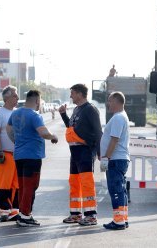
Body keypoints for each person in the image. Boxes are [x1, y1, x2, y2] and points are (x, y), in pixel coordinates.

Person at [6, 90, 58, 227]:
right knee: (31, 186)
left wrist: (16, 142)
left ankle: (22, 213)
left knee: (23, 186)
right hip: (32, 156)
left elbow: (8, 129)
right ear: (37, 101)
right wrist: (53, 136)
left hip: (19, 155)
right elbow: (43, 132)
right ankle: (25, 216)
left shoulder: (15, 113)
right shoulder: (35, 116)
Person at [59, 83, 102, 226]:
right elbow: (72, 127)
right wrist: (63, 115)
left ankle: (91, 215)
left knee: (87, 184)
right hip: (75, 152)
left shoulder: (90, 110)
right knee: (74, 183)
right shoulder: (77, 109)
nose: (70, 96)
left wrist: (100, 153)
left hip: (85, 151)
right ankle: (76, 214)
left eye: (72, 93)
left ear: (79, 94)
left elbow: (98, 132)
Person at [100, 91, 130, 230]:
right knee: (121, 190)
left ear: (117, 102)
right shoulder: (120, 116)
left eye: (110, 101)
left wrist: (106, 156)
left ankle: (118, 222)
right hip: (119, 159)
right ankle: (123, 219)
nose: (108, 103)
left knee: (116, 190)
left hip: (115, 159)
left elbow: (114, 139)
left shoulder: (118, 118)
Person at [0, 85, 19, 222]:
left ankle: (14, 211)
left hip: (17, 154)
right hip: (4, 155)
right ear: (7, 98)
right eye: (15, 95)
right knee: (4, 184)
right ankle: (3, 210)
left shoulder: (17, 112)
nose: (17, 98)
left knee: (16, 184)